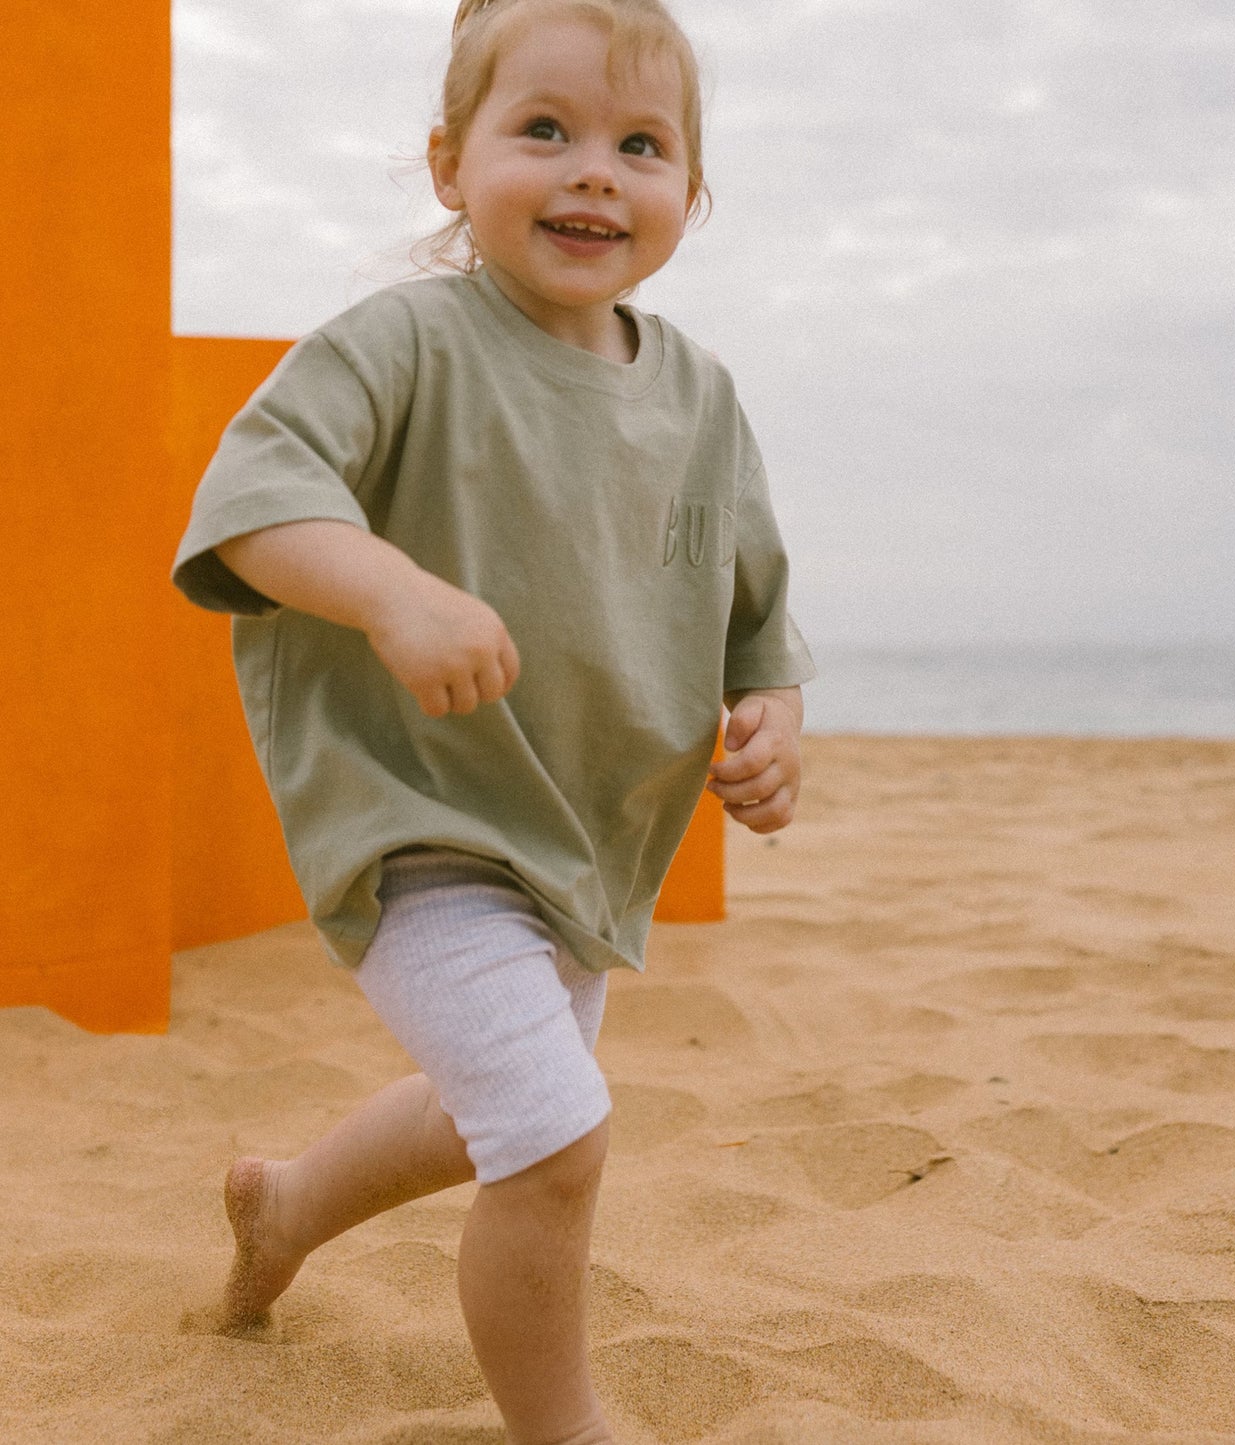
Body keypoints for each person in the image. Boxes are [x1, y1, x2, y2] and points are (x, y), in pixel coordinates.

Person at [170, 0, 814, 1439]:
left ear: (686, 198)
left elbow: (751, 605)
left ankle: (286, 1207)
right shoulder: (405, 342)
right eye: (544, 131)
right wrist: (391, 591)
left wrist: (766, 715)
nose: (594, 171)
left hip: (582, 841)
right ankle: (560, 1422)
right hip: (418, 824)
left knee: (494, 1105)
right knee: (556, 1134)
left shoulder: (698, 395)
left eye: (639, 145)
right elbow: (255, 499)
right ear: (448, 162)